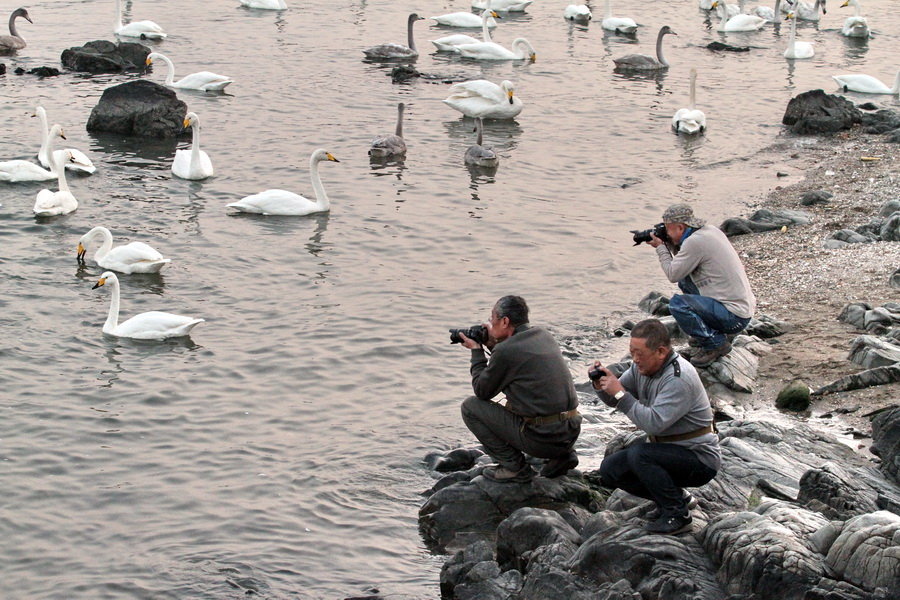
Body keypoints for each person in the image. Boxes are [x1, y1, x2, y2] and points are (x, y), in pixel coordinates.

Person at [591, 318, 720, 535]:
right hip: (669, 451)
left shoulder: (678, 378)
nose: (634, 359)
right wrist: (601, 385)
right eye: (631, 352)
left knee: (640, 454)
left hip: (698, 458)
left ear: (660, 352)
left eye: (639, 353)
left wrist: (620, 393)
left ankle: (677, 515)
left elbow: (653, 424)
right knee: (611, 469)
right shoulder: (641, 369)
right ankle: (677, 499)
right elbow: (616, 398)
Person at [457, 295, 581, 483]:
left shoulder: (506, 351)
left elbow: (482, 391)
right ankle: (563, 456)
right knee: (536, 404)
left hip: (543, 440)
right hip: (570, 432)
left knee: (470, 407)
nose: (490, 324)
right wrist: (493, 345)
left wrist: (476, 351)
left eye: (492, 319)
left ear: (505, 321)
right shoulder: (543, 335)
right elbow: (514, 362)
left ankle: (514, 467)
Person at [648, 203, 756, 367]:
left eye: (668, 229)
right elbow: (682, 267)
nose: (666, 233)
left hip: (734, 317)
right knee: (685, 280)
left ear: (680, 228)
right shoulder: (709, 231)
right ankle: (711, 334)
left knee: (678, 304)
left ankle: (716, 344)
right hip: (741, 311)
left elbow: (672, 274)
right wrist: (670, 243)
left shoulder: (694, 243)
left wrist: (661, 248)